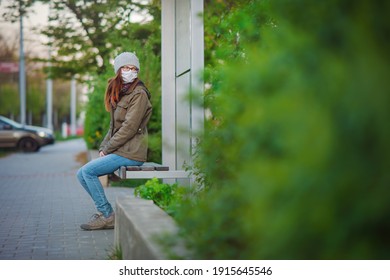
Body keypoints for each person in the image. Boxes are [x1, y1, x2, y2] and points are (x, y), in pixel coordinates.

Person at [77, 52, 152, 230]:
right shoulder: (120, 91)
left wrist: (108, 148)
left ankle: (108, 215)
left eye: (134, 69)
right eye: (126, 67)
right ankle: (106, 213)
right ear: (118, 70)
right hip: (120, 150)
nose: (130, 71)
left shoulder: (139, 94)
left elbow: (129, 128)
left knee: (88, 172)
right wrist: (104, 147)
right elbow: (113, 127)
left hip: (132, 152)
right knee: (81, 174)